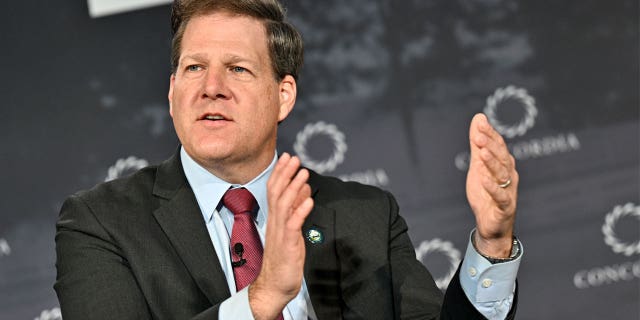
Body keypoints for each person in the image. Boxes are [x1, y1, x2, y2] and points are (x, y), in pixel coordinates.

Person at [54, 0, 522, 319]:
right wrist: (263, 299)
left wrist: (493, 243)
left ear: (284, 96)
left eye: (237, 68)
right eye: (194, 67)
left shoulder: (364, 215)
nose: (210, 86)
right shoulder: (101, 222)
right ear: (173, 91)